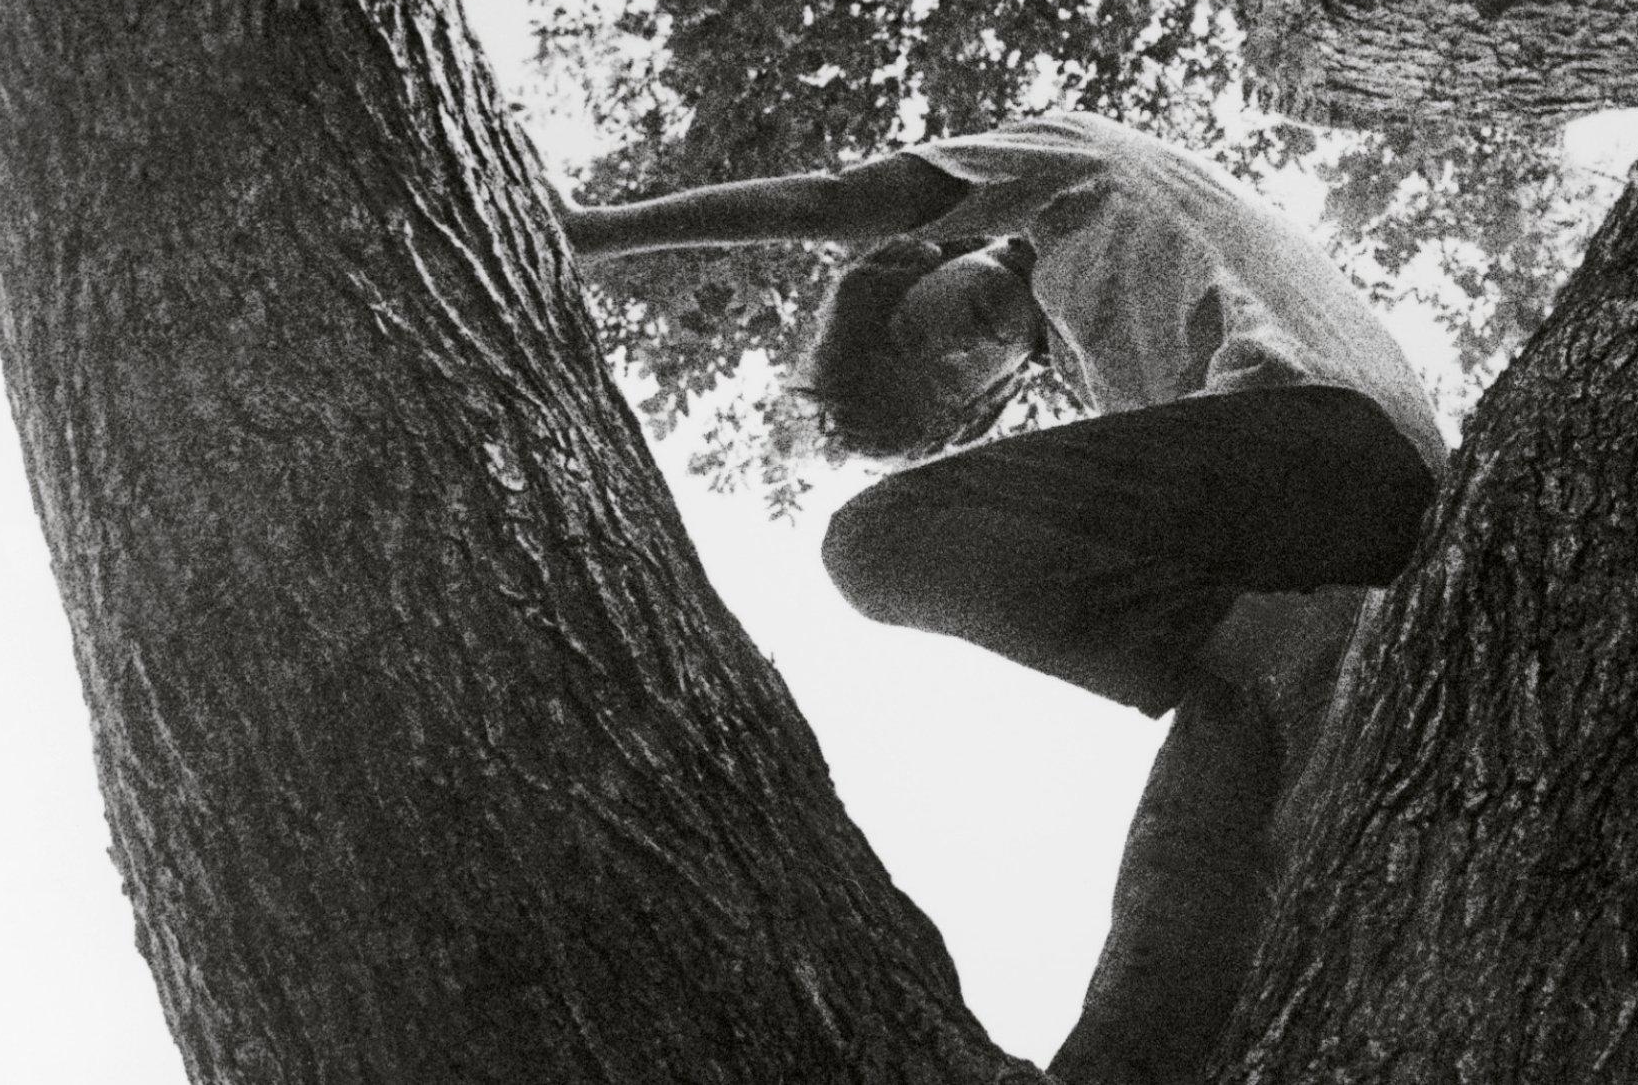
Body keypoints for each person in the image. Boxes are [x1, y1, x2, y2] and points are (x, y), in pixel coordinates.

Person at [557, 111, 1444, 1084]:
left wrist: (592, 229)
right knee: (1173, 898)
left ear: (919, 259)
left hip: (1325, 448)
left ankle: (1300, 647)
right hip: (1320, 539)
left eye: (915, 332)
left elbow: (838, 200)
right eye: (951, 386)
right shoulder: (1097, 358)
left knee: (880, 541)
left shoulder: (1063, 168)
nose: (956, 353)